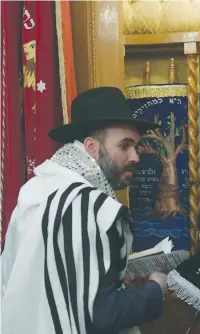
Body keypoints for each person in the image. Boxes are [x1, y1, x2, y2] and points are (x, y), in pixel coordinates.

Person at [1, 87, 168, 334]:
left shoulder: (35, 190)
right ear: (91, 147)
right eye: (125, 146)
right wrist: (155, 289)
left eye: (137, 146)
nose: (135, 156)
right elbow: (99, 316)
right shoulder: (93, 207)